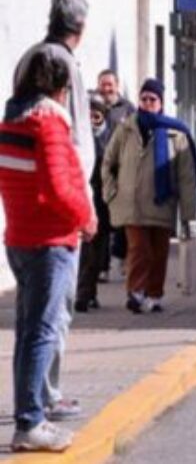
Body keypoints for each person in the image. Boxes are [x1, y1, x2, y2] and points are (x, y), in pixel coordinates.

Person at [0, 51, 95, 453]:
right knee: (42, 332)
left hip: (20, 236)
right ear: (58, 88)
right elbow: (58, 186)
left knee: (28, 334)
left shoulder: (10, 123)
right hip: (50, 242)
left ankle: (29, 414)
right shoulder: (49, 124)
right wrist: (85, 217)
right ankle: (31, 422)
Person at [11, 0, 91, 427]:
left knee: (32, 321)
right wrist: (86, 209)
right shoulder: (63, 70)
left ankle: (34, 398)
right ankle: (41, 400)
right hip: (53, 220)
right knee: (51, 316)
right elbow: (74, 146)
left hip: (23, 212)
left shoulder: (28, 59)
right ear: (80, 25)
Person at [102, 79, 196, 314]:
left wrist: (188, 214)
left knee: (159, 252)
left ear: (161, 103)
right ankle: (135, 292)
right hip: (132, 204)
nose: (147, 103)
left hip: (162, 203)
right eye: (143, 99)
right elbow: (108, 163)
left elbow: (186, 176)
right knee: (139, 249)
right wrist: (111, 192)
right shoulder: (125, 129)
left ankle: (154, 295)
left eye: (152, 99)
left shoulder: (177, 133)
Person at [95, 70, 135, 280]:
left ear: (117, 86)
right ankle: (102, 267)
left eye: (110, 85)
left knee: (121, 218)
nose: (106, 89)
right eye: (103, 84)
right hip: (97, 172)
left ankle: (120, 257)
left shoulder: (127, 109)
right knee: (100, 220)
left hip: (121, 171)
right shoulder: (92, 106)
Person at [74, 96, 111, 313]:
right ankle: (83, 294)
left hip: (103, 202)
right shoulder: (78, 137)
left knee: (97, 252)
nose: (92, 121)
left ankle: (90, 291)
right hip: (83, 201)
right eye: (88, 116)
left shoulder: (111, 137)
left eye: (96, 116)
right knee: (85, 251)